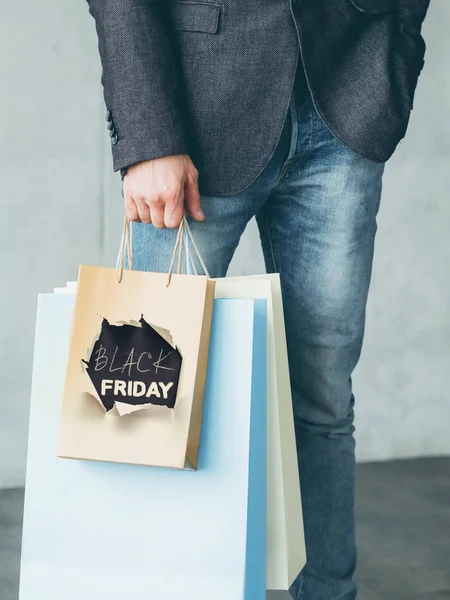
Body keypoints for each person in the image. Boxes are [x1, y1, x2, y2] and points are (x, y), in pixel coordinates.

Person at [87, 1, 430, 597]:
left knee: (322, 400)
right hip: (192, 112)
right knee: (140, 405)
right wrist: (147, 135)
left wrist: (394, 56)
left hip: (343, 105)